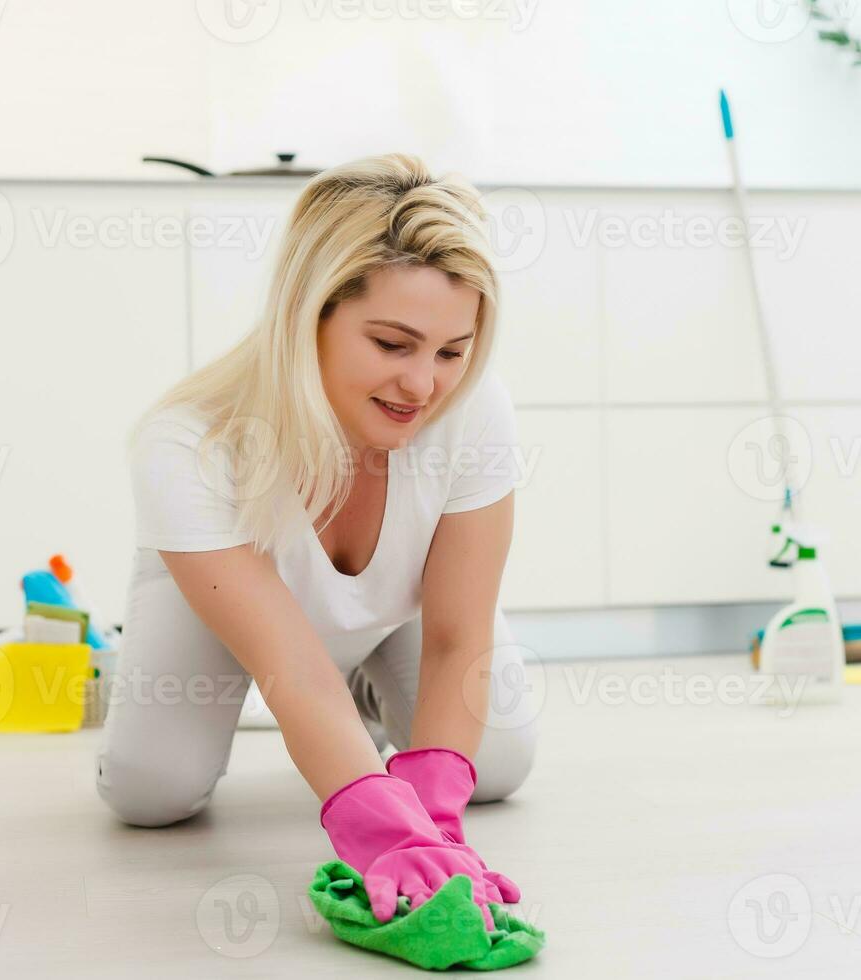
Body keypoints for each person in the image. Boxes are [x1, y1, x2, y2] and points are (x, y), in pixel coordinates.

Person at [95, 152, 537, 931]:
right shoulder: (189, 443)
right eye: (393, 344)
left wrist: (430, 822)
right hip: (228, 616)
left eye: (451, 351)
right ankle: (329, 719)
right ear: (312, 314)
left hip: (402, 614)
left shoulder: (474, 411)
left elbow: (459, 634)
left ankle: (362, 696)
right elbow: (291, 669)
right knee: (151, 792)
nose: (423, 385)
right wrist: (381, 825)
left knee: (494, 768)